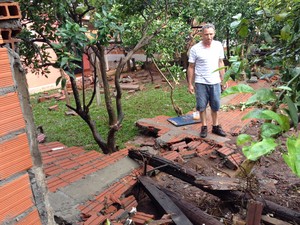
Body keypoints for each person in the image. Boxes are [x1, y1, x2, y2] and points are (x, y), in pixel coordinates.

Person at [187, 23, 226, 138]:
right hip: (201, 81)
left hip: (215, 81)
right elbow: (191, 67)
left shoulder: (218, 45)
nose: (209, 37)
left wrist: (223, 79)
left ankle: (215, 126)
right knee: (201, 106)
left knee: (215, 105)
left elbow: (221, 62)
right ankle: (204, 126)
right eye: (206, 35)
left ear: (214, 34)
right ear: (201, 35)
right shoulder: (195, 49)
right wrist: (190, 84)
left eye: (211, 34)